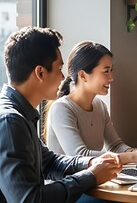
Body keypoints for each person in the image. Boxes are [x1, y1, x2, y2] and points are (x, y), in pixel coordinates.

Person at [0, 26, 121, 202]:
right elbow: (29, 200)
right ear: (40, 72)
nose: (63, 77)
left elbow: (49, 163)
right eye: (59, 69)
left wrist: (90, 164)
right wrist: (91, 176)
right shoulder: (10, 122)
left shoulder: (21, 115)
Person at [45, 41, 137, 164]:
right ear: (83, 76)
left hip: (90, 180)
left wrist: (136, 152)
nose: (111, 78)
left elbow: (115, 146)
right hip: (66, 182)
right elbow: (80, 156)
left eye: (111, 70)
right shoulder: (61, 109)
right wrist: (132, 157)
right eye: (106, 71)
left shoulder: (99, 106)